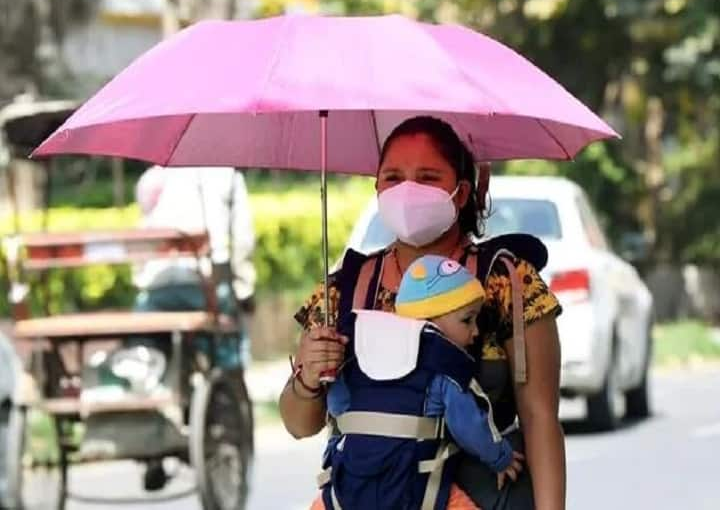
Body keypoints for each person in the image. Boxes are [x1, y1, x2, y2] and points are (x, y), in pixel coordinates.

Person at [281, 116, 566, 509]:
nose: (408, 191)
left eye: (428, 177)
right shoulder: (343, 292)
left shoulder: (507, 282)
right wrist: (308, 379)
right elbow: (299, 424)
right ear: (377, 188)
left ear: (461, 193)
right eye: (393, 177)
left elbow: (540, 418)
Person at [310, 255, 525, 510]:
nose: (475, 331)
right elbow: (469, 425)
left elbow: (337, 404)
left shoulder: (361, 353)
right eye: (467, 319)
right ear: (429, 321)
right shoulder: (443, 366)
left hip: (347, 493)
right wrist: (500, 458)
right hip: (420, 494)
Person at [132, 165, 256, 490]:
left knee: (148, 349)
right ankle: (229, 412)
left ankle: (156, 422)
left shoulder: (154, 177)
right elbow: (242, 241)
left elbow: (143, 240)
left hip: (156, 288)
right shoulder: (228, 175)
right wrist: (245, 289)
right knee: (227, 346)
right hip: (204, 286)